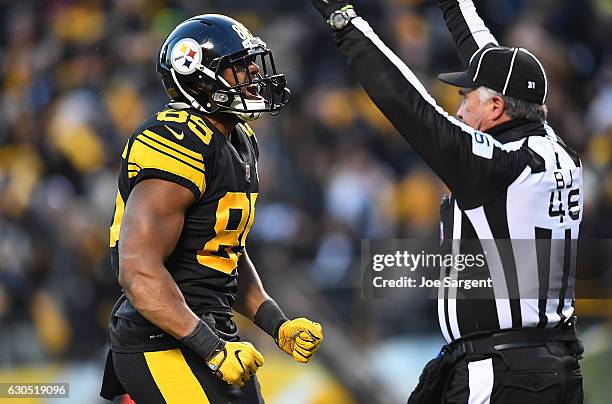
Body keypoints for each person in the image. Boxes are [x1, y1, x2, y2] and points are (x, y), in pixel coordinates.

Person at [310, 0, 583, 402]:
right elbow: (486, 57)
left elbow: (410, 106)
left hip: (502, 371)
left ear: (495, 107)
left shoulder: (501, 165)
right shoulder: (552, 149)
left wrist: (345, 22)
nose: (457, 109)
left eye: (465, 98)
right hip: (549, 365)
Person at [100, 14, 323, 404]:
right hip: (160, 339)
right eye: (238, 65)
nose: (254, 71)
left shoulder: (239, 138)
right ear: (200, 79)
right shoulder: (177, 139)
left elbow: (222, 250)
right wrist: (213, 348)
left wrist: (276, 323)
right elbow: (137, 271)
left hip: (209, 331)